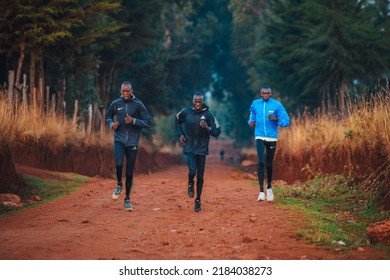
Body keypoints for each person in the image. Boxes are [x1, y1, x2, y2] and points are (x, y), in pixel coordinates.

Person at [105, 81, 152, 211]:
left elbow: (148, 122)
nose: (125, 93)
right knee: (119, 164)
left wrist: (134, 121)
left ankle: (127, 199)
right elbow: (108, 116)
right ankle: (119, 184)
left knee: (130, 172)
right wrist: (111, 124)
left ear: (132, 91)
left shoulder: (138, 104)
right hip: (119, 139)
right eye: (123, 91)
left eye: (128, 91)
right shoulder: (115, 104)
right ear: (121, 91)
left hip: (133, 142)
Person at [175, 92, 221, 212]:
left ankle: (198, 200)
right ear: (193, 101)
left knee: (200, 177)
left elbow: (217, 131)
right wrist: (180, 134)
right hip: (189, 146)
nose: (198, 103)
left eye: (200, 101)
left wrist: (207, 127)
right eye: (196, 101)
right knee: (192, 170)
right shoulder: (185, 112)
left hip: (202, 149)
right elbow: (177, 120)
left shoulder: (208, 115)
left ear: (203, 101)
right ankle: (190, 182)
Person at [248, 84, 290, 202]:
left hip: (272, 137)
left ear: (270, 94)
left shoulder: (277, 105)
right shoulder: (255, 104)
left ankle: (269, 188)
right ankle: (261, 192)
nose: (265, 95)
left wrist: (275, 119)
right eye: (263, 93)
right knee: (261, 162)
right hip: (259, 135)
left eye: (267, 93)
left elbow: (286, 121)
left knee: (269, 164)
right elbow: (252, 116)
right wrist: (250, 122)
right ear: (260, 94)